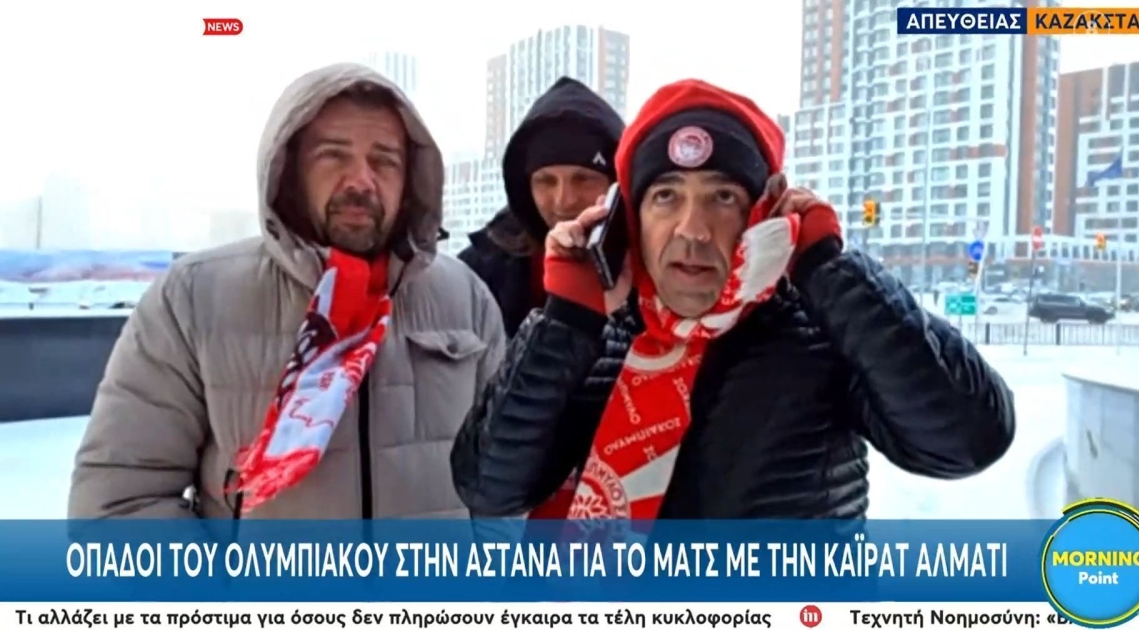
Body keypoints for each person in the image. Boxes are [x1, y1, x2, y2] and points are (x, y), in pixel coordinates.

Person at [450, 79, 1015, 521]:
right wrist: (566, 319)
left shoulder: (819, 333)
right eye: (666, 196)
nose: (692, 229)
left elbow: (968, 441)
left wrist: (829, 270)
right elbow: (490, 487)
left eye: (722, 196)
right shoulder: (603, 343)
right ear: (630, 221)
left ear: (763, 212)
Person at [69, 63, 505, 519]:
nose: (361, 180)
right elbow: (119, 502)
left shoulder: (465, 300)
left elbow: (500, 486)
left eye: (384, 161)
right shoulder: (194, 298)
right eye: (333, 156)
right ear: (289, 169)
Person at [459, 77, 625, 337]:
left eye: (583, 179)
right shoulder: (479, 272)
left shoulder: (656, 264)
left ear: (616, 184)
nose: (564, 200)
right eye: (546, 181)